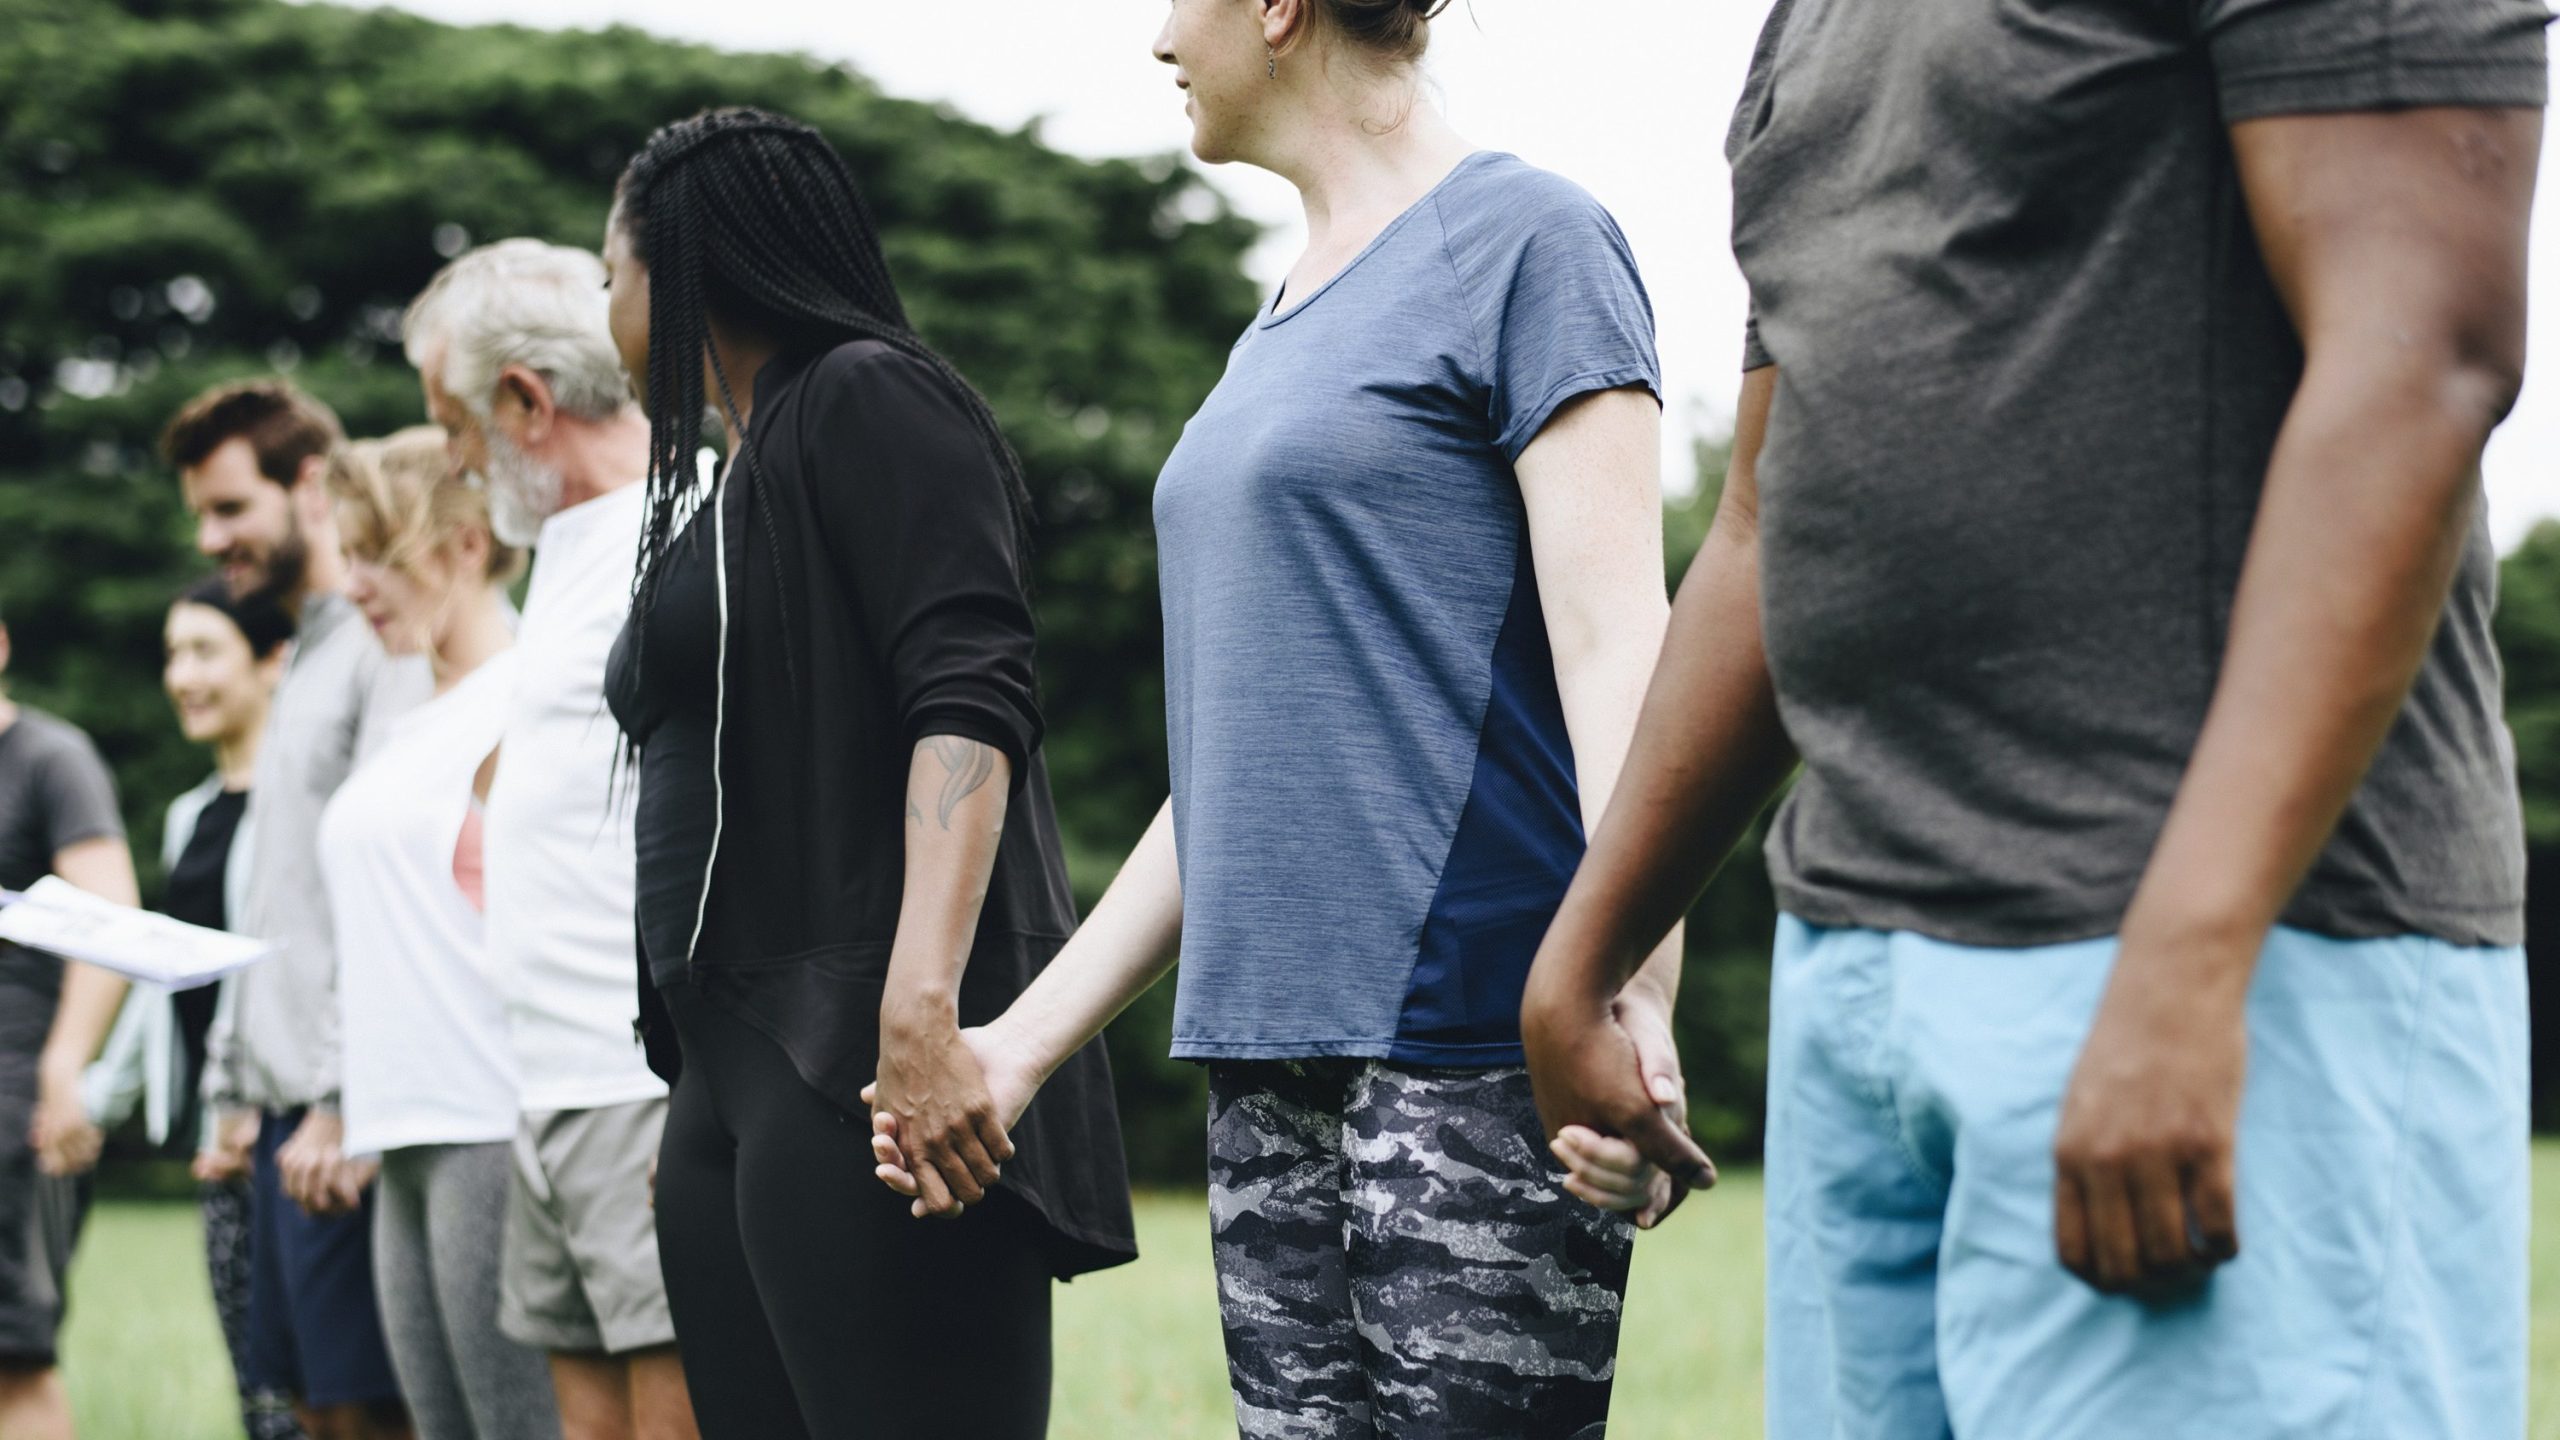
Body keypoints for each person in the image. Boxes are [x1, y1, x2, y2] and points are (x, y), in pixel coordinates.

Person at [1522, 1, 2549, 1437]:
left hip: (2225, 963)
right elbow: (1768, 521)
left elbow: (2420, 363)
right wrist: (1588, 950)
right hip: (1864, 979)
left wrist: (2186, 962)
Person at [870, 3, 1682, 1434]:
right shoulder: (1288, 316)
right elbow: (1242, 774)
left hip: (1469, 1042)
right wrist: (1019, 1045)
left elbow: (1624, 658)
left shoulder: (1533, 244)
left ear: (1276, 8)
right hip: (1265, 1059)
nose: (1156, 38)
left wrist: (1641, 996)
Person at [598, 107, 1136, 1439]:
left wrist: (919, 1009)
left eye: (606, 269)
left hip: (854, 1054)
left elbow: (969, 689)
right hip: (727, 1071)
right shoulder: (738, 475)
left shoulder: (863, 394)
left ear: (677, 267)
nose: (602, 304)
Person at [401, 239, 697, 1440]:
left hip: (641, 1090)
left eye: (455, 426)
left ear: (524, 400)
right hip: (545, 1085)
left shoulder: (690, 526)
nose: (457, 465)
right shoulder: (567, 554)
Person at [166, 380, 423, 1440]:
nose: (213, 538)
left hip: (341, 1118)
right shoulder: (302, 654)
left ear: (308, 484)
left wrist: (339, 1097)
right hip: (280, 1117)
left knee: (369, 1416)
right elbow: (278, 905)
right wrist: (237, 1084)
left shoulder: (379, 649)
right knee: (313, 1413)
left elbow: (390, 897)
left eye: (231, 509)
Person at [318, 428, 562, 1440]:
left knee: (517, 1426)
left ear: (465, 545)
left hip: (489, 1118)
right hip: (399, 1119)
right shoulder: (406, 714)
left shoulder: (531, 693)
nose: (355, 584)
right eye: (349, 555)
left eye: (378, 553)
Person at [80, 577, 304, 1440]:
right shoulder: (189, 816)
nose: (182, 676)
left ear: (272, 661)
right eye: (173, 654)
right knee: (260, 1404)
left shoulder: (300, 807)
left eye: (205, 650)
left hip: (289, 1135)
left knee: (324, 1404)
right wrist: (101, 1095)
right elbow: (163, 976)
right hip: (221, 1152)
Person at [0, 604, 140, 1440]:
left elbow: (110, 914)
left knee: (14, 1362)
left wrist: (62, 1071)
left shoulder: (50, 759)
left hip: (14, 1105)